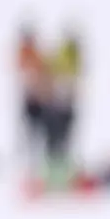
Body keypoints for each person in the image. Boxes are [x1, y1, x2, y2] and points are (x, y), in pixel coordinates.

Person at [43, 29, 84, 169]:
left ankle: (60, 164)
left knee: (63, 138)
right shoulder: (63, 56)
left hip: (65, 104)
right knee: (54, 138)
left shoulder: (74, 56)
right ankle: (52, 165)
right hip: (56, 104)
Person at [15, 25, 49, 165]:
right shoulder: (24, 53)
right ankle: (28, 161)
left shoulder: (36, 54)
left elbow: (42, 75)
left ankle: (37, 161)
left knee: (38, 132)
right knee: (28, 132)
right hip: (29, 99)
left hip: (38, 100)